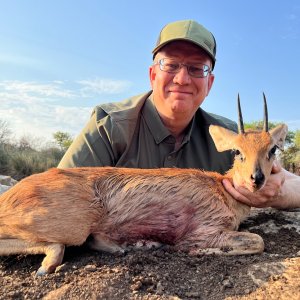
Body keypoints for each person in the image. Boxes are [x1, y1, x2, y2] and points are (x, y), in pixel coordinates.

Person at [58, 19, 300, 210]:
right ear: (153, 75)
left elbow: (290, 183)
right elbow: (59, 189)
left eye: (196, 68)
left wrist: (278, 193)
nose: (182, 79)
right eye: (171, 65)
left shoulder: (234, 140)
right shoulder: (110, 126)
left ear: (209, 84)